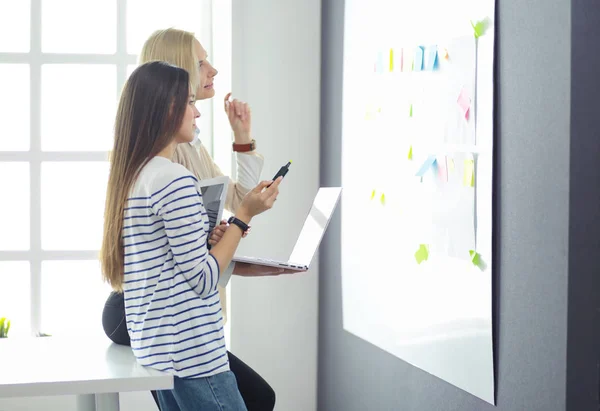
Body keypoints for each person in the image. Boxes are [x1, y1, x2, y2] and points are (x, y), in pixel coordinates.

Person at [102, 28, 287, 411]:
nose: (212, 71)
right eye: (201, 63)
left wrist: (218, 232)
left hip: (165, 343)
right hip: (188, 345)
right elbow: (202, 276)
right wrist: (241, 220)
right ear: (170, 103)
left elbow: (183, 241)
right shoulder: (171, 172)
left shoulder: (144, 169)